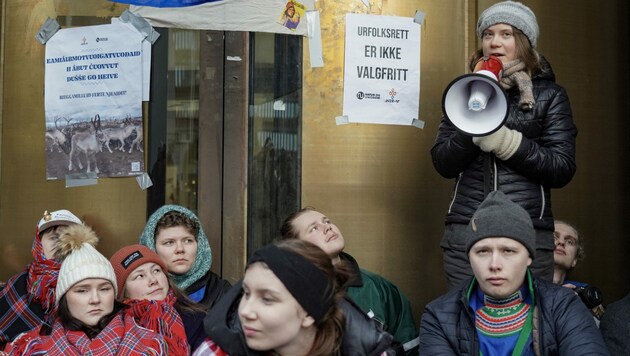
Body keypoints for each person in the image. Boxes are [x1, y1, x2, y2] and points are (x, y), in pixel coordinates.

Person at [431, 0, 577, 289]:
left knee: (530, 325)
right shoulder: (464, 91)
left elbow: (561, 167)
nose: (494, 42)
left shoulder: (550, 96)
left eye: (506, 34)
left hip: (529, 234)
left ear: (524, 42)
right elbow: (443, 161)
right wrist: (473, 126)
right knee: (464, 321)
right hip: (466, 230)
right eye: (488, 34)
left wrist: (507, 143)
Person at [419, 191, 609, 355]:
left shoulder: (564, 305)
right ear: (469, 258)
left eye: (508, 251)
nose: (494, 264)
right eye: (482, 251)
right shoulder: (439, 315)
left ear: (529, 257)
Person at [194, 239, 396, 356]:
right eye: (246, 293)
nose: (245, 311)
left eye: (267, 299)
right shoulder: (217, 351)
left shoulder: (366, 349)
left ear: (309, 312)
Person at [6, 223, 167, 355]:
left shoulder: (152, 345)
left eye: (104, 289)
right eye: (82, 290)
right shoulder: (33, 349)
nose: (95, 299)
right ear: (64, 297)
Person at [279, 208, 418, 355]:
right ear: (297, 248)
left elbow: (409, 347)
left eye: (327, 221)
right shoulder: (288, 297)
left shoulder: (379, 288)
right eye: (314, 228)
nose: (327, 227)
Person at [0, 209, 82, 350]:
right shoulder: (18, 284)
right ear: (39, 243)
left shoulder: (94, 282)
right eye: (54, 238)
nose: (61, 244)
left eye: (69, 238)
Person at [110, 244, 207, 353]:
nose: (153, 280)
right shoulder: (112, 331)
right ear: (123, 291)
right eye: (140, 276)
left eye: (156, 270)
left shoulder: (197, 319)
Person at [139, 204, 231, 310]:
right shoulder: (142, 290)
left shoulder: (222, 292)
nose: (180, 249)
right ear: (151, 248)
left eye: (188, 241)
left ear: (200, 245)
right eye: (169, 242)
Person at [553, 220, 604, 322]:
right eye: (554, 237)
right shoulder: (520, 288)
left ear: (574, 260)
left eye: (570, 242)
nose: (561, 242)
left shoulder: (585, 293)